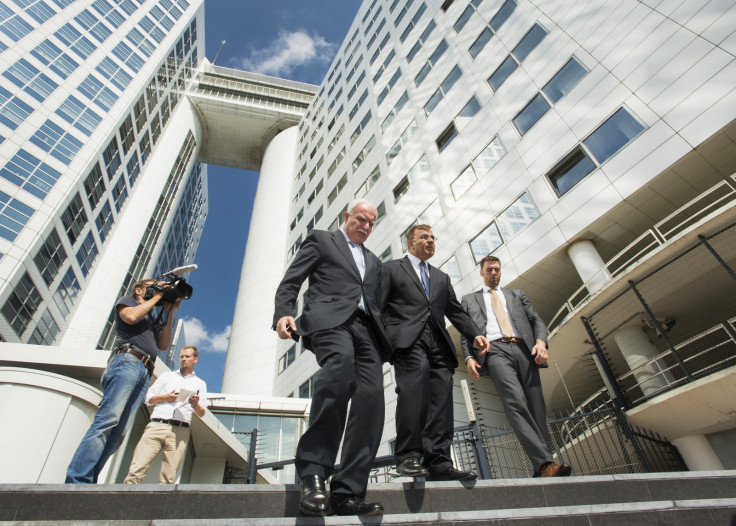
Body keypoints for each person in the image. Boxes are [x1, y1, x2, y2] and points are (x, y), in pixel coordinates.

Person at [273, 198, 390, 517]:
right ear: (346, 216)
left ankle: (347, 492)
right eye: (361, 219)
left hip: (367, 332)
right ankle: (312, 474)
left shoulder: (375, 263)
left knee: (372, 400)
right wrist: (284, 312)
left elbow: (379, 304)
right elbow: (292, 280)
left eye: (371, 223)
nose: (366, 226)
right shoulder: (323, 239)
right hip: (330, 321)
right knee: (339, 372)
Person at [381, 225, 489, 481]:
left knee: (441, 402)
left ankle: (439, 462)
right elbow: (379, 306)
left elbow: (454, 311)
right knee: (413, 393)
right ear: (410, 243)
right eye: (424, 237)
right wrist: (388, 338)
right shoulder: (391, 269)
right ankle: (408, 456)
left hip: (438, 343)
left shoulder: (441, 277)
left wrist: (475, 333)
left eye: (432, 238)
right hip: (408, 342)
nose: (430, 241)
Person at [460, 255, 572, 478]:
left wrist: (541, 342)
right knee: (516, 402)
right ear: (481, 273)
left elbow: (537, 321)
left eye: (497, 270)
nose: (494, 273)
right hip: (494, 351)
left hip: (524, 350)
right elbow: (466, 332)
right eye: (490, 269)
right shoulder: (469, 299)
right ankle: (545, 463)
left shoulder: (517, 295)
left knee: (536, 407)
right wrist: (469, 358)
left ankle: (541, 468)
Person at [66, 278, 180, 484]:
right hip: (127, 361)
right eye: (153, 285)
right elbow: (130, 317)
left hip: (144, 370)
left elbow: (163, 345)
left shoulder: (151, 318)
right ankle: (77, 481)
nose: (158, 289)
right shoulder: (128, 301)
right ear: (139, 291)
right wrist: (157, 296)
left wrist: (169, 311)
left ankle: (89, 480)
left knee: (119, 433)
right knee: (107, 421)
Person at [123, 345, 207, 484]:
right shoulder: (166, 376)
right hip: (157, 425)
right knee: (137, 468)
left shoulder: (199, 384)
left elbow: (201, 412)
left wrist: (195, 404)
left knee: (168, 477)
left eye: (187, 356)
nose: (183, 359)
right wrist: (166, 398)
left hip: (180, 430)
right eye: (181, 356)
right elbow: (148, 399)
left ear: (195, 359)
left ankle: (161, 504)